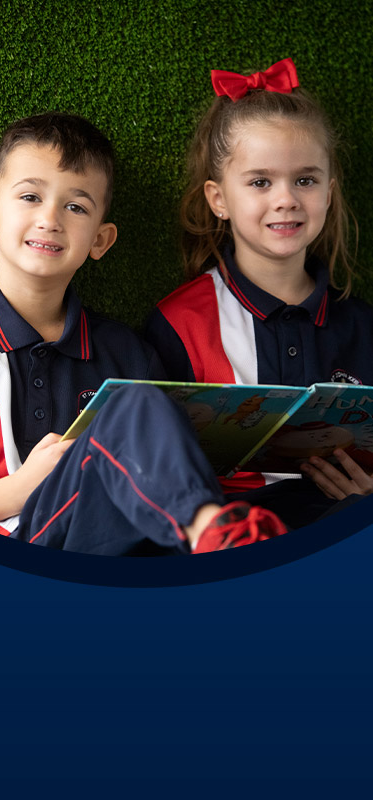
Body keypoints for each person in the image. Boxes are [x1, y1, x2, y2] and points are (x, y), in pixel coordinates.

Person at [0, 111, 286, 555]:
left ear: (100, 240)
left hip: (107, 544)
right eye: (31, 196)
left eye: (76, 207)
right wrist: (17, 491)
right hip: (14, 547)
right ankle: (212, 530)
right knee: (134, 402)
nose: (50, 218)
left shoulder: (128, 352)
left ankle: (214, 537)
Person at [145, 58, 373, 528]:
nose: (286, 198)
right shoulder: (177, 325)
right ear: (219, 199)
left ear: (328, 193)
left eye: (305, 180)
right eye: (260, 182)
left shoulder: (363, 325)